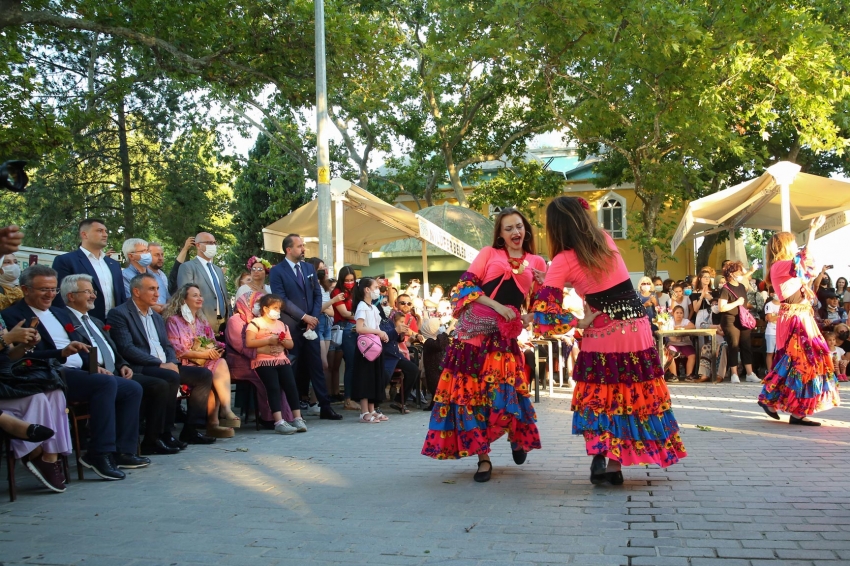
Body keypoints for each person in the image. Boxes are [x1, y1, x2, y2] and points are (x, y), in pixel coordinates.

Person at [532, 196, 686, 485]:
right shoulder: (604, 239)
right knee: (630, 393)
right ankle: (614, 466)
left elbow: (544, 316)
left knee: (601, 395)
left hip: (603, 332)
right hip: (637, 328)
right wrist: (556, 278)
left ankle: (601, 454)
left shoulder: (562, 260)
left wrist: (577, 321)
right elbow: (598, 277)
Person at [422, 208, 545, 482]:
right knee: (471, 397)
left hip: (504, 340)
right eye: (508, 228)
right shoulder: (489, 254)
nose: (515, 232)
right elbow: (465, 287)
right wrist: (498, 306)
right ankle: (483, 458)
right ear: (500, 235)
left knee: (506, 393)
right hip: (473, 337)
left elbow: (542, 305)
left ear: (526, 229)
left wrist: (530, 311)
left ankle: (516, 436)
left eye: (519, 226)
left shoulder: (537, 261)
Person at [2, 265, 145, 480]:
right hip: (49, 373)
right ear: (25, 289)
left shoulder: (60, 312)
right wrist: (60, 353)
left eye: (53, 289)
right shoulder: (12, 316)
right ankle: (98, 453)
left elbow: (81, 344)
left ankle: (124, 450)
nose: (50, 294)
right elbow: (21, 359)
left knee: (132, 388)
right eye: (43, 289)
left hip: (80, 370)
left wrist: (93, 365)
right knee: (104, 384)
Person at [61, 274, 184, 456]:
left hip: (119, 371)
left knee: (178, 377)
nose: (94, 295)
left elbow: (114, 349)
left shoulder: (94, 321)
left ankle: (147, 442)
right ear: (71, 296)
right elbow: (125, 346)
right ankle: (117, 450)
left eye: (93, 291)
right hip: (104, 373)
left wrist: (122, 364)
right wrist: (157, 364)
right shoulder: (68, 320)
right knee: (155, 383)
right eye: (88, 292)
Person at [107, 273, 215, 445]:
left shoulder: (157, 316)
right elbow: (126, 348)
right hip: (141, 366)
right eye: (151, 289)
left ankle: (191, 430)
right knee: (170, 377)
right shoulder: (119, 314)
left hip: (165, 365)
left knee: (203, 375)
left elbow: (167, 346)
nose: (157, 294)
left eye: (157, 289)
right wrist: (160, 364)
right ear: (136, 291)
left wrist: (171, 362)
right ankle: (162, 434)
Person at [758, 216, 840, 425]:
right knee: (800, 362)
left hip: (802, 317)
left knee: (808, 361)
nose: (796, 245)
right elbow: (806, 260)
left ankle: (796, 410)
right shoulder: (780, 266)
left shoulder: (786, 266)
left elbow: (807, 267)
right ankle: (774, 400)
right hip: (795, 320)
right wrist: (812, 232)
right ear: (785, 245)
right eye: (793, 242)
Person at [269, 234, 342, 421]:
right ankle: (291, 410)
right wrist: (303, 317)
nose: (303, 249)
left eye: (303, 245)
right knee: (291, 368)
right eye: (300, 246)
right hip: (291, 327)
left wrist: (313, 318)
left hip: (312, 327)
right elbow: (281, 299)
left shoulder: (309, 268)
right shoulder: (277, 271)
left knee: (317, 366)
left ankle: (325, 407)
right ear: (288, 249)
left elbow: (318, 295)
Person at [0, 314, 71, 494]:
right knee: (38, 398)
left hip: (7, 379)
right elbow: (5, 341)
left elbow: (9, 355)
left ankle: (50, 455)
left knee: (55, 393)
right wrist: (8, 337)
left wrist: (25, 345)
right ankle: (35, 453)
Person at [164, 284, 240, 439]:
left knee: (219, 363)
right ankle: (216, 419)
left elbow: (212, 341)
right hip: (184, 363)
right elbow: (177, 350)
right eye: (195, 295)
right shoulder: (173, 321)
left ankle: (219, 416)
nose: (200, 298)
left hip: (204, 362)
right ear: (183, 299)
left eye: (200, 295)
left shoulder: (201, 320)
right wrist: (206, 353)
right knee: (213, 371)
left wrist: (216, 349)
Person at [226, 291, 293, 427]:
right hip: (241, 362)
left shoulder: (262, 319)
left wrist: (277, 349)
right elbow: (240, 345)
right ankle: (270, 418)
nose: (259, 306)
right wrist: (264, 350)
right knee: (267, 378)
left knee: (281, 375)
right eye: (256, 303)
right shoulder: (236, 320)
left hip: (263, 357)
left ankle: (286, 415)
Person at [244, 293, 305, 434]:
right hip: (263, 361)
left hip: (281, 359)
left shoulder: (282, 325)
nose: (277, 311)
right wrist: (268, 341)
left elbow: (290, 344)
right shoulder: (255, 323)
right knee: (273, 387)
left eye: (279, 308)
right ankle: (278, 421)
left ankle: (297, 418)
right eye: (275, 308)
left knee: (291, 386)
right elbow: (249, 342)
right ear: (265, 309)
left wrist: (283, 342)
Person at [52, 219, 126, 322]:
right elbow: (59, 296)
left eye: (106, 231)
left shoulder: (113, 264)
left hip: (115, 323)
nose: (105, 235)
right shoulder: (66, 261)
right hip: (82, 324)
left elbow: (121, 296)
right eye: (100, 231)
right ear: (84, 234)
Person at [176, 232, 231, 330]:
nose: (213, 246)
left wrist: (229, 318)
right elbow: (186, 298)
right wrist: (203, 321)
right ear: (198, 245)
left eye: (214, 243)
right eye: (209, 243)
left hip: (224, 323)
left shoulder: (218, 270)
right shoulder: (188, 267)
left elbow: (224, 295)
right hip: (202, 324)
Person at [352, 277, 388, 423]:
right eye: (375, 287)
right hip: (365, 348)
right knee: (365, 378)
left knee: (374, 377)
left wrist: (381, 333)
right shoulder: (361, 306)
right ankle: (364, 411)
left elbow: (376, 325)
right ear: (367, 289)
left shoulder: (373, 307)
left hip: (376, 346)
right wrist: (378, 332)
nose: (377, 290)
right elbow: (360, 328)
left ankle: (372, 409)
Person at [718, 261, 758, 383]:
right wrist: (736, 303)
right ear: (731, 274)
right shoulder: (725, 289)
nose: (741, 273)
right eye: (738, 271)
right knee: (733, 346)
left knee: (746, 345)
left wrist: (751, 270)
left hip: (743, 320)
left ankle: (750, 373)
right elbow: (721, 307)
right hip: (730, 321)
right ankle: (734, 374)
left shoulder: (741, 286)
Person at [329, 266, 360, 411]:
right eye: (347, 280)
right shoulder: (337, 292)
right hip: (344, 329)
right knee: (350, 365)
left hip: (355, 328)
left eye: (352, 280)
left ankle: (352, 396)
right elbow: (345, 313)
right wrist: (362, 317)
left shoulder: (356, 291)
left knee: (353, 365)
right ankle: (348, 399)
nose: (349, 283)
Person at [420, 318, 447, 411]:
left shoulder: (435, 340)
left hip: (438, 368)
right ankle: (436, 404)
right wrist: (442, 334)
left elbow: (444, 344)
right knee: (436, 387)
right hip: (433, 370)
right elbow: (439, 346)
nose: (438, 328)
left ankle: (436, 403)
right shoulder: (429, 341)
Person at [666, 305, 696, 380]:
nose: (679, 314)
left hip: (685, 343)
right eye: (677, 313)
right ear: (673, 313)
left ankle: (689, 375)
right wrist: (674, 328)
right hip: (673, 343)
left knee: (692, 355)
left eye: (681, 313)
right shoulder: (670, 321)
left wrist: (681, 327)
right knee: (669, 353)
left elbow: (693, 326)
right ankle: (674, 375)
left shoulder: (685, 321)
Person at [764, 289, 780, 372]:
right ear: (772, 294)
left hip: (781, 332)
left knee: (779, 353)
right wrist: (780, 316)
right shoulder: (769, 305)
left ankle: (777, 372)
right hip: (771, 332)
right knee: (770, 352)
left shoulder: (784, 305)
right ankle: (770, 371)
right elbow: (769, 318)